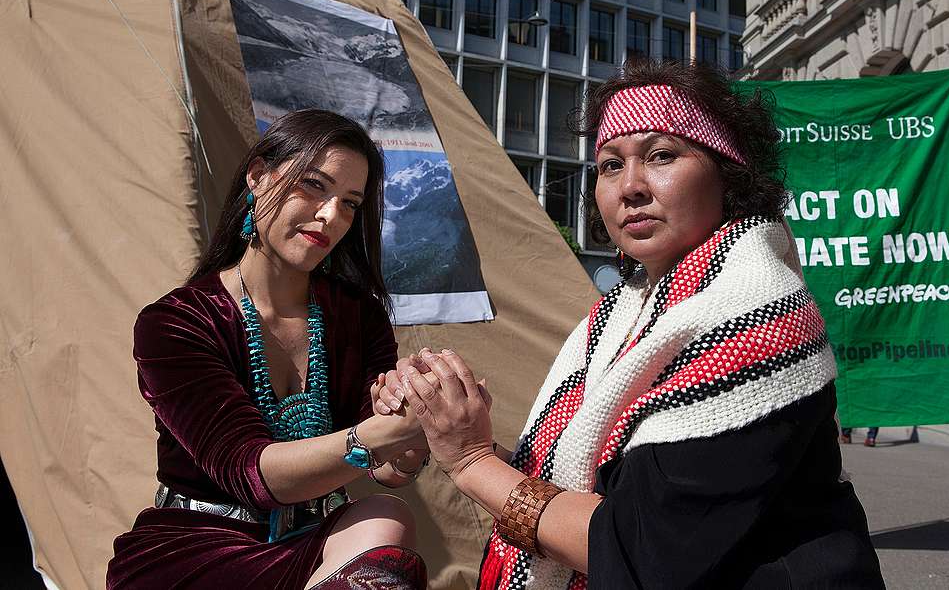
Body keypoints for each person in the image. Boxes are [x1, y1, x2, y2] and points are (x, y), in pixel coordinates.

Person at [378, 60, 885, 588]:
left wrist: (472, 461)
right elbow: (588, 488)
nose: (630, 187)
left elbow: (638, 546)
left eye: (662, 155)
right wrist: (444, 427)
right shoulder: (625, 309)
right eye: (610, 165)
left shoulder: (754, 315)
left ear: (728, 174)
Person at [107, 110, 430, 589]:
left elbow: (386, 470)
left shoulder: (358, 315)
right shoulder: (176, 323)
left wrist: (412, 431)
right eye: (314, 186)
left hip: (312, 539)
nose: (329, 216)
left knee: (387, 515)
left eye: (349, 203)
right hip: (199, 546)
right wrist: (378, 433)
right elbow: (250, 474)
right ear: (258, 176)